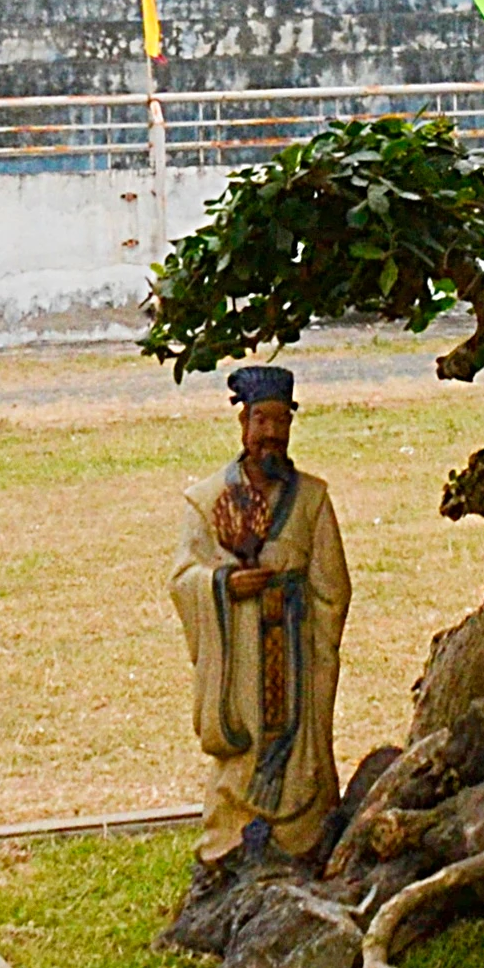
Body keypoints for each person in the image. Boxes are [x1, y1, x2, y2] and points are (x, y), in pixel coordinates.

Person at [172, 364, 351, 875]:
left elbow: (332, 588)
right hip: (241, 661)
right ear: (243, 424)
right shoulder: (207, 501)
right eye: (260, 421)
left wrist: (315, 643)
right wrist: (223, 586)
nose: (270, 433)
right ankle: (232, 840)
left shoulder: (312, 500)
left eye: (280, 422)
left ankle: (304, 838)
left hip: (297, 654)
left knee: (302, 750)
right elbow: (184, 576)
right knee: (244, 745)